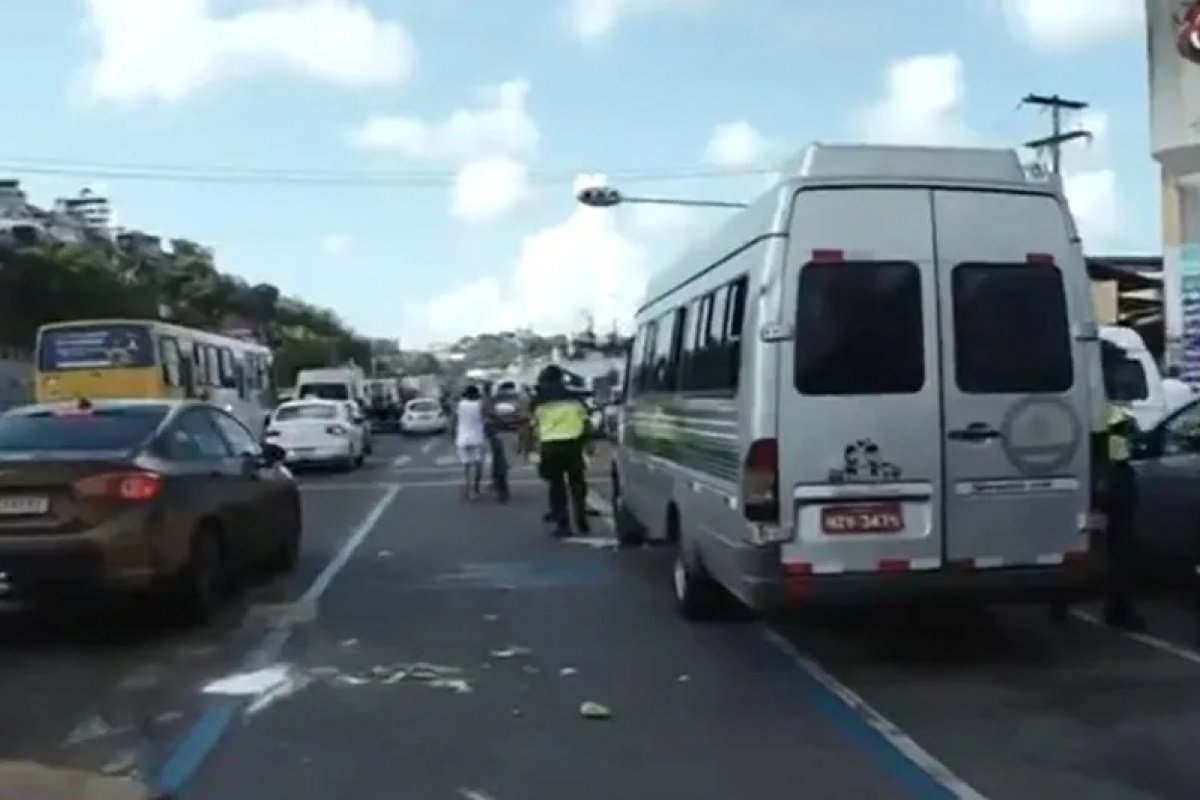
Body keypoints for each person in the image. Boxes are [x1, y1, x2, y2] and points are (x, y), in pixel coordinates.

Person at [526, 365, 590, 537]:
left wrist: (530, 448)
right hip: (574, 443)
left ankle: (563, 524)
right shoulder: (574, 397)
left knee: (556, 485)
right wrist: (588, 443)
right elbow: (586, 422)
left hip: (550, 445)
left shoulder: (538, 401)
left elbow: (532, 426)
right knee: (577, 483)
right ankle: (581, 516)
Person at [1102, 401, 1145, 631]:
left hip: (1096, 482)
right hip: (1117, 482)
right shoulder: (1117, 417)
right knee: (1122, 550)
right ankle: (1120, 609)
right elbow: (1121, 451)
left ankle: (1061, 603)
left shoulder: (1093, 410)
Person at [454, 385, 488, 500]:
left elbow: (454, 417)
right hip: (477, 438)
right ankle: (476, 488)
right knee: (478, 465)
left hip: (462, 438)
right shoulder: (480, 404)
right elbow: (486, 417)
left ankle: (468, 489)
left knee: (466, 466)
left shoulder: (460, 404)